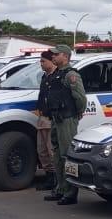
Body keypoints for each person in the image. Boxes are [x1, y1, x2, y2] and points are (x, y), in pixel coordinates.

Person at [45, 44, 86, 206]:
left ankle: (70, 193)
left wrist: (77, 113)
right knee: (57, 155)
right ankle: (61, 188)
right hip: (57, 118)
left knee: (67, 155)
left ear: (65, 56)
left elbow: (80, 98)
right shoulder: (57, 74)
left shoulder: (71, 75)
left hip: (67, 118)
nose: (53, 57)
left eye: (56, 55)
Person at [33, 50, 58, 191]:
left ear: (51, 61)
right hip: (42, 117)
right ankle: (49, 177)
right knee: (42, 150)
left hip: (51, 118)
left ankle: (56, 180)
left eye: (43, 61)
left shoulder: (58, 76)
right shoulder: (45, 77)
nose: (41, 64)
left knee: (51, 150)